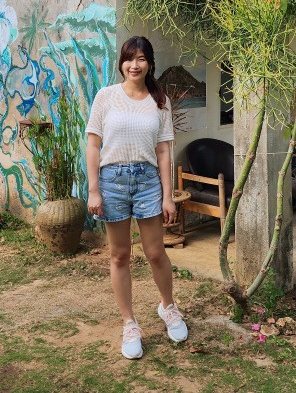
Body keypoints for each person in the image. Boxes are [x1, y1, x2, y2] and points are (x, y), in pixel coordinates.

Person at [85, 35, 188, 359]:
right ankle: (129, 323)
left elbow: (163, 151)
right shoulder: (106, 97)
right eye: (129, 58)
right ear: (122, 63)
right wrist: (93, 190)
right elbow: (93, 145)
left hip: (147, 182)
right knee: (120, 256)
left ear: (150, 63)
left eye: (141, 58)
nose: (135, 64)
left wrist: (168, 195)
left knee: (156, 252)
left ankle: (167, 307)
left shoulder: (159, 101)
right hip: (112, 181)